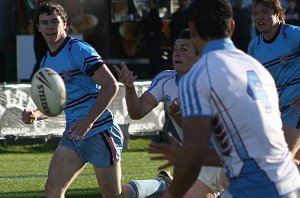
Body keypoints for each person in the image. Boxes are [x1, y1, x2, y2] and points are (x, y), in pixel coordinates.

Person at [21, 2, 172, 197]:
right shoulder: (45, 62)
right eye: (45, 23)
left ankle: (161, 184)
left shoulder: (78, 50)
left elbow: (111, 86)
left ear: (65, 24)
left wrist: (88, 121)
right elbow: (55, 106)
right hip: (74, 134)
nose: (50, 26)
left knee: (114, 196)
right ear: (39, 28)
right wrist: (35, 114)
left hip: (99, 131)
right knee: (53, 190)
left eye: (54, 21)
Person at [163, 0, 300, 197]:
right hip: (287, 182)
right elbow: (245, 153)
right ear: (232, 26)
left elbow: (194, 154)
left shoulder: (197, 76)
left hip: (257, 186)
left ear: (191, 30)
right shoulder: (256, 68)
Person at [114, 29, 227, 198]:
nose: (176, 53)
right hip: (197, 164)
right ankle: (166, 182)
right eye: (175, 48)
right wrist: (130, 89)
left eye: (184, 48)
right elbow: (137, 112)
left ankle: (166, 182)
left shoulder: (213, 83)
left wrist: (177, 114)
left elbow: (208, 136)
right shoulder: (166, 79)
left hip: (224, 160)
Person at [248, 0, 300, 163]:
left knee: (283, 160)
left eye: (264, 12)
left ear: (277, 14)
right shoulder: (254, 47)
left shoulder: (292, 35)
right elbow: (255, 86)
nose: (259, 18)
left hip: (296, 109)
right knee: (293, 163)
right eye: (255, 14)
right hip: (279, 113)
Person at [143, 0, 163, 77]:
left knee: (154, 56)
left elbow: (157, 25)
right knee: (153, 56)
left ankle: (155, 72)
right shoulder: (152, 12)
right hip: (153, 40)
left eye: (151, 3)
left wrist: (153, 32)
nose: (149, 5)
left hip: (154, 40)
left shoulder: (154, 12)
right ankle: (154, 71)